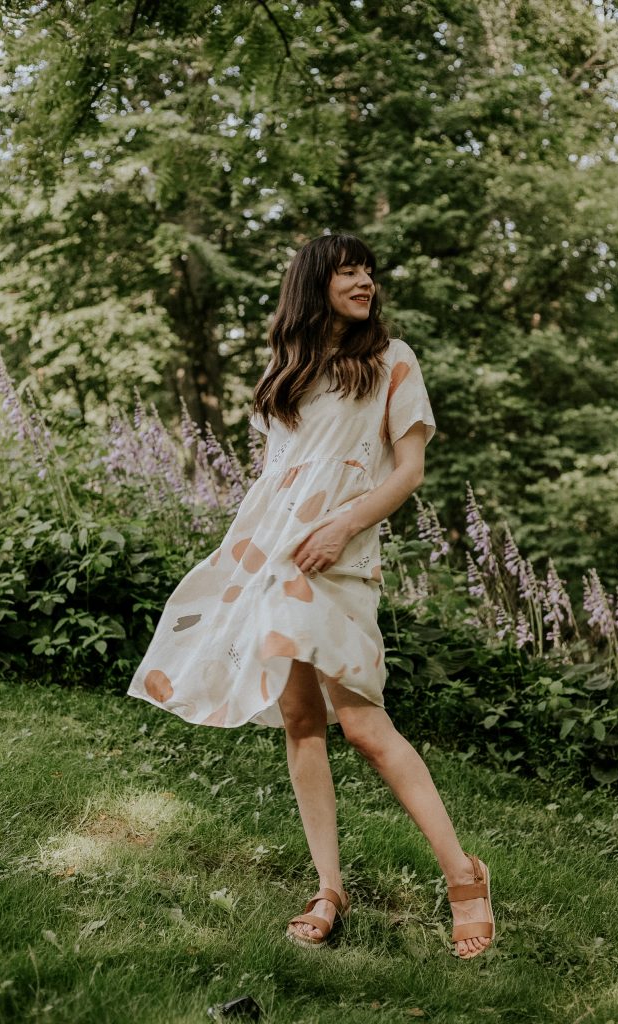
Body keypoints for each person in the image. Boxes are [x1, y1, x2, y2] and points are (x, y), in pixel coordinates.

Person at [126, 233, 494, 959]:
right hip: (274, 555)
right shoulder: (285, 373)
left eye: (369, 271)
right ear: (314, 282)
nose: (364, 282)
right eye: (348, 271)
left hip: (339, 557)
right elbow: (279, 479)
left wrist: (341, 528)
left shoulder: (392, 361)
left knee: (362, 725)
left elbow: (408, 470)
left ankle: (464, 876)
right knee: (301, 721)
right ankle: (328, 887)